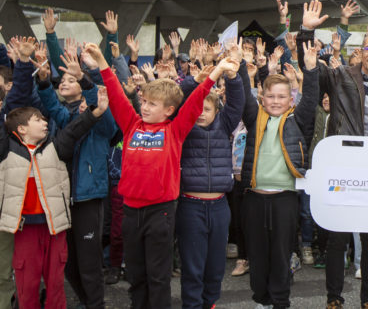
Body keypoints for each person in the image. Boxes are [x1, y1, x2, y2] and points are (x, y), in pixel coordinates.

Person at [94, 40, 229, 309]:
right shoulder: (131, 124)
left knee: (158, 277)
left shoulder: (175, 130)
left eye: (152, 104)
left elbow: (196, 99)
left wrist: (217, 71)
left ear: (168, 110)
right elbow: (117, 95)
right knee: (136, 275)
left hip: (161, 212)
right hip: (131, 211)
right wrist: (101, 62)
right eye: (144, 102)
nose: (144, 107)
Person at [300, 0, 368, 309]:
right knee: (337, 237)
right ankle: (334, 298)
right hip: (343, 166)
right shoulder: (340, 78)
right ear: (361, 52)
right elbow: (309, 68)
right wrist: (305, 32)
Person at [2, 36, 110, 309]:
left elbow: (86, 120)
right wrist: (33, 72)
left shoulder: (77, 132)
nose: (43, 121)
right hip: (42, 214)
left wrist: (90, 94)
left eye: (70, 81)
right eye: (37, 119)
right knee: (46, 274)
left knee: (75, 271)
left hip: (71, 211)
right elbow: (34, 104)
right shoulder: (13, 146)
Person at [239, 41, 318, 309]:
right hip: (254, 199)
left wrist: (311, 68)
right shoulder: (255, 118)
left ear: (290, 99)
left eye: (281, 97)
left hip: (285, 199)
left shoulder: (298, 120)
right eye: (270, 96)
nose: (275, 101)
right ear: (262, 97)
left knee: (281, 255)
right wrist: (240, 64)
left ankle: (281, 302)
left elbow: (312, 98)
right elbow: (241, 94)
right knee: (257, 256)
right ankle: (262, 300)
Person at [177, 58, 246, 309]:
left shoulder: (224, 124)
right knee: (193, 267)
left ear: (217, 111)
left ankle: (210, 304)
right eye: (196, 108)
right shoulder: (183, 127)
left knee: (216, 267)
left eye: (207, 109)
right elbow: (177, 102)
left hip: (219, 207)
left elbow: (237, 102)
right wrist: (194, 83)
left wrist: (233, 77)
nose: (200, 114)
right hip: (190, 206)